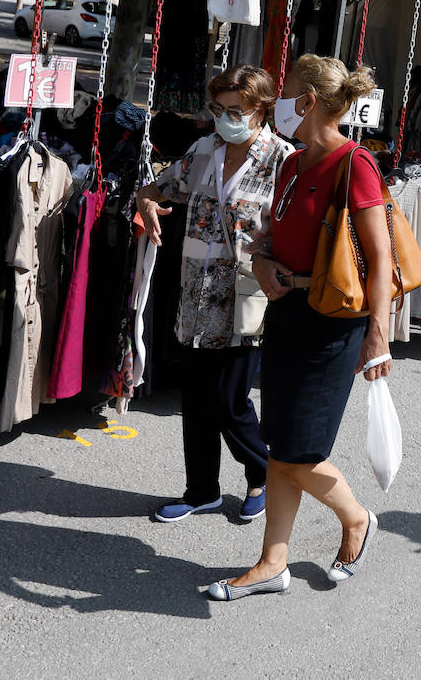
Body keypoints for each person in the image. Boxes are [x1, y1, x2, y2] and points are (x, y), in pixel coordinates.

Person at [205, 54, 393, 602]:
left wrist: (378, 336)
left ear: (308, 102)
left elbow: (380, 259)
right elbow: (275, 237)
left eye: (286, 93)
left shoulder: (355, 164)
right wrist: (263, 261)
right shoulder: (291, 164)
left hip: (333, 323)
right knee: (279, 444)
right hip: (286, 313)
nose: (279, 103)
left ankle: (356, 518)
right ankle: (272, 563)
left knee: (297, 452)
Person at [138, 65, 295, 524]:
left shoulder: (282, 159)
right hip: (196, 294)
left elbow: (294, 230)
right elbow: (160, 186)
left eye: (236, 110)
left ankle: (264, 472)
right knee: (196, 400)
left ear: (261, 109)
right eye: (219, 109)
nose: (225, 118)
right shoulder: (204, 149)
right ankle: (201, 490)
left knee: (229, 400)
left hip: (246, 297)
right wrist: (147, 201)